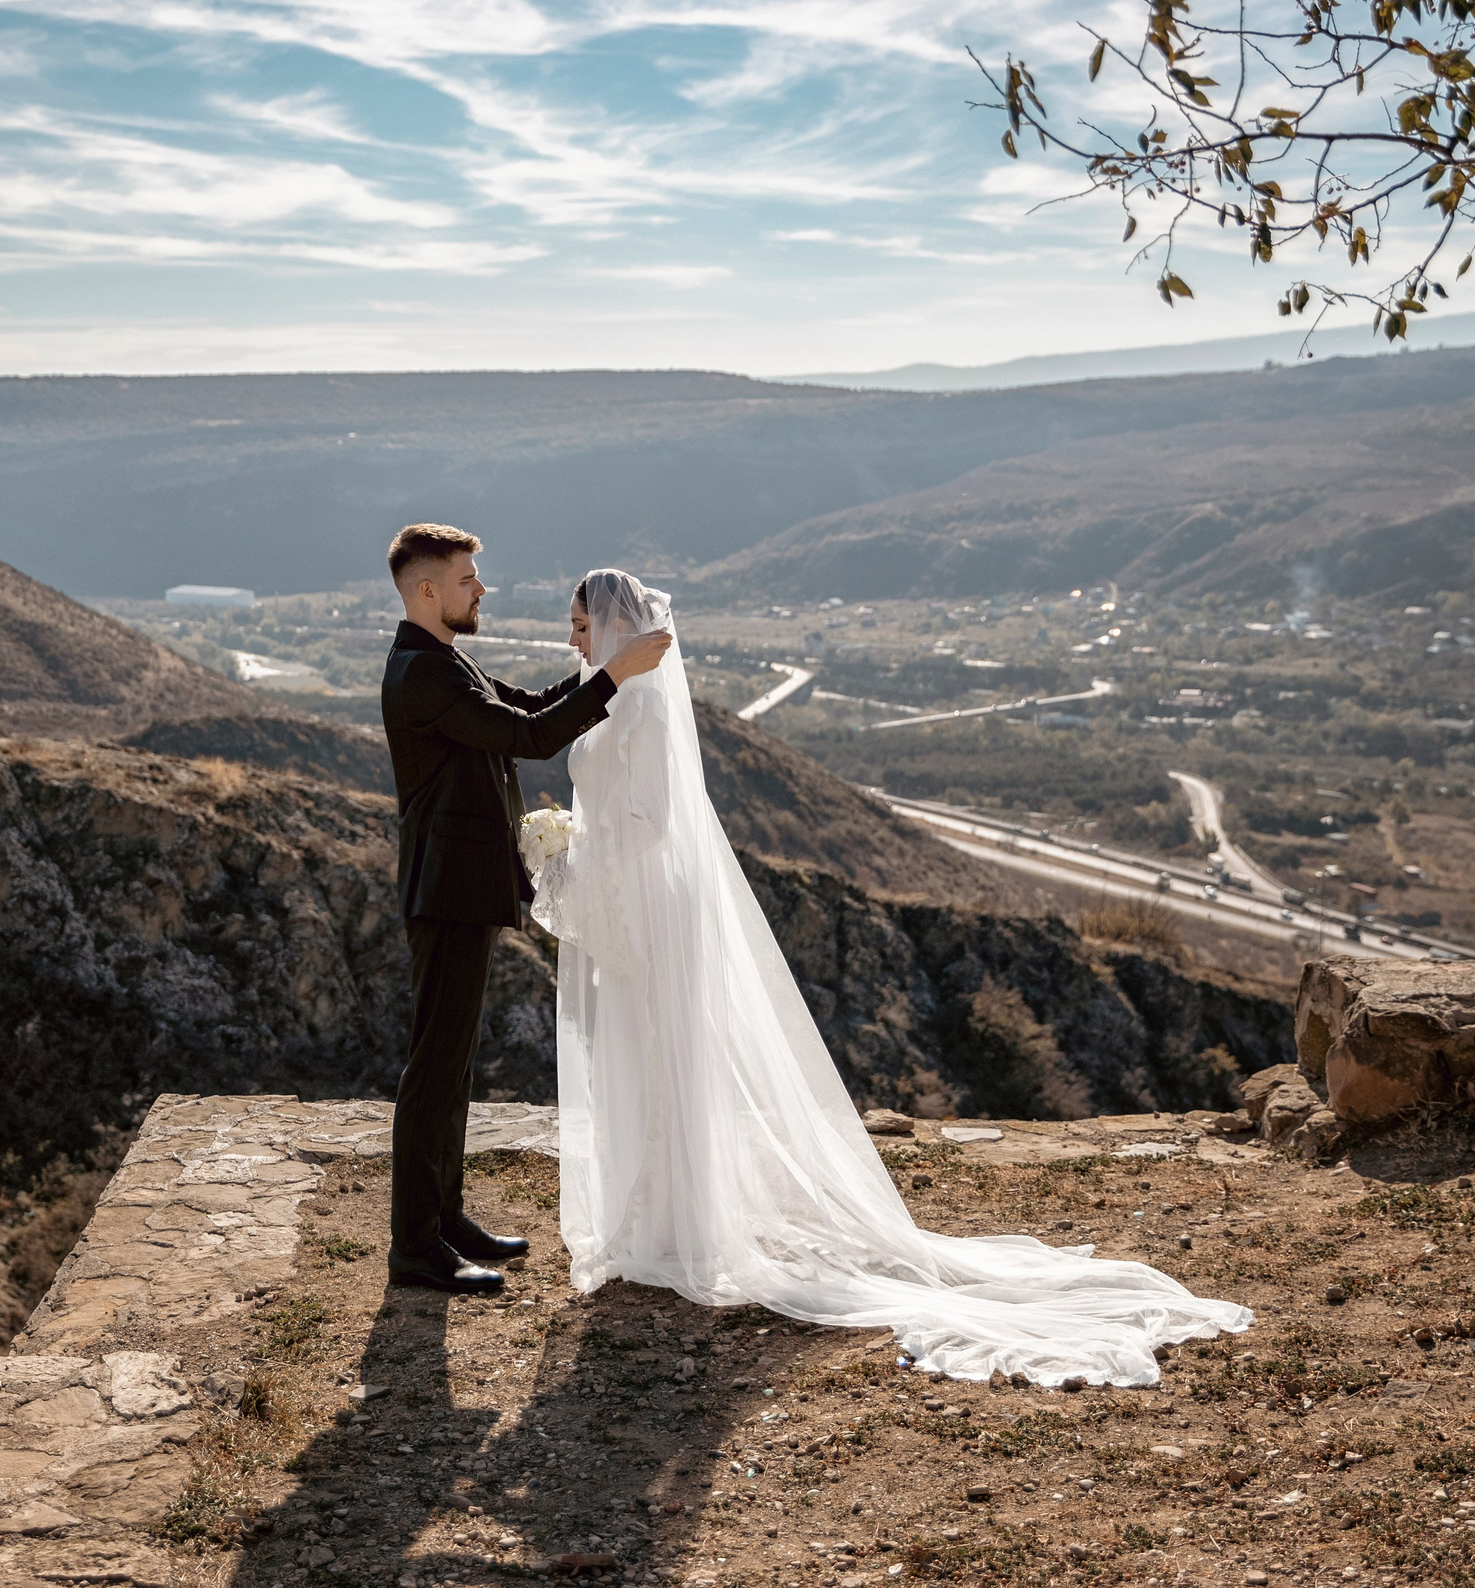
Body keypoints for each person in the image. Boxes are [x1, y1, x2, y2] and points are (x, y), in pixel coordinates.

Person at [534, 567, 1252, 1384]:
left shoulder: (638, 705)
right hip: (632, 906)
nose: (572, 639)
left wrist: (574, 859)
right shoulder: (608, 695)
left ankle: (676, 1225)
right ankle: (655, 1217)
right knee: (639, 1052)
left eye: (580, 625)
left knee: (661, 1052)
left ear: (614, 626)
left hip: (647, 904)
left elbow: (655, 822)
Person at [377, 523, 671, 1297]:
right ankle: (416, 1247)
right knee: (433, 1068)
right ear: (427, 591)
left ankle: (446, 1220)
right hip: (445, 891)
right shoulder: (421, 675)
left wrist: (603, 672)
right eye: (468, 579)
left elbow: (534, 705)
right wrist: (613, 675)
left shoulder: (447, 660)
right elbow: (530, 738)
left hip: (464, 888)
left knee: (454, 1064)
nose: (482, 589)